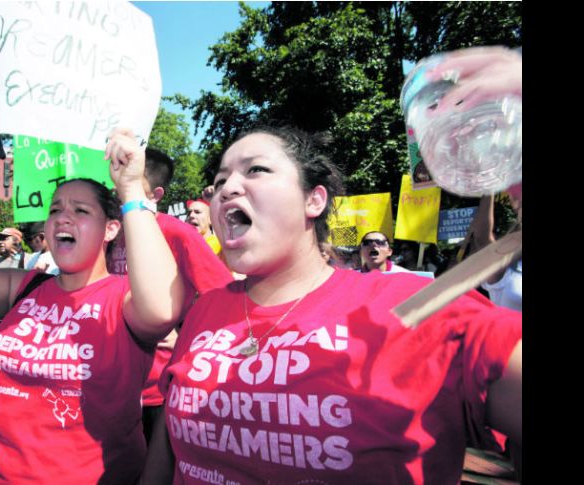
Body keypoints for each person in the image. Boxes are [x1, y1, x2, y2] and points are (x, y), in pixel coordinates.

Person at [142, 124, 521, 485]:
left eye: (255, 170)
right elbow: (166, 450)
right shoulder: (204, 311)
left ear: (314, 199)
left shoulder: (415, 306)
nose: (226, 189)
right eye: (221, 181)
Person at [0, 126, 185, 484]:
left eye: (80, 210)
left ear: (111, 229)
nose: (62, 217)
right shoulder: (24, 288)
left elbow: (161, 311)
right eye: (55, 209)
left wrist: (129, 189)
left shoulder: (124, 299)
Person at [106, 146, 234, 443]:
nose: (119, 193)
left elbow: (222, 295)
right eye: (115, 186)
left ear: (156, 195)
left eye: (130, 185)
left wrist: (185, 333)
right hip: (111, 380)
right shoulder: (109, 234)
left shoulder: (177, 232)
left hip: (159, 387)